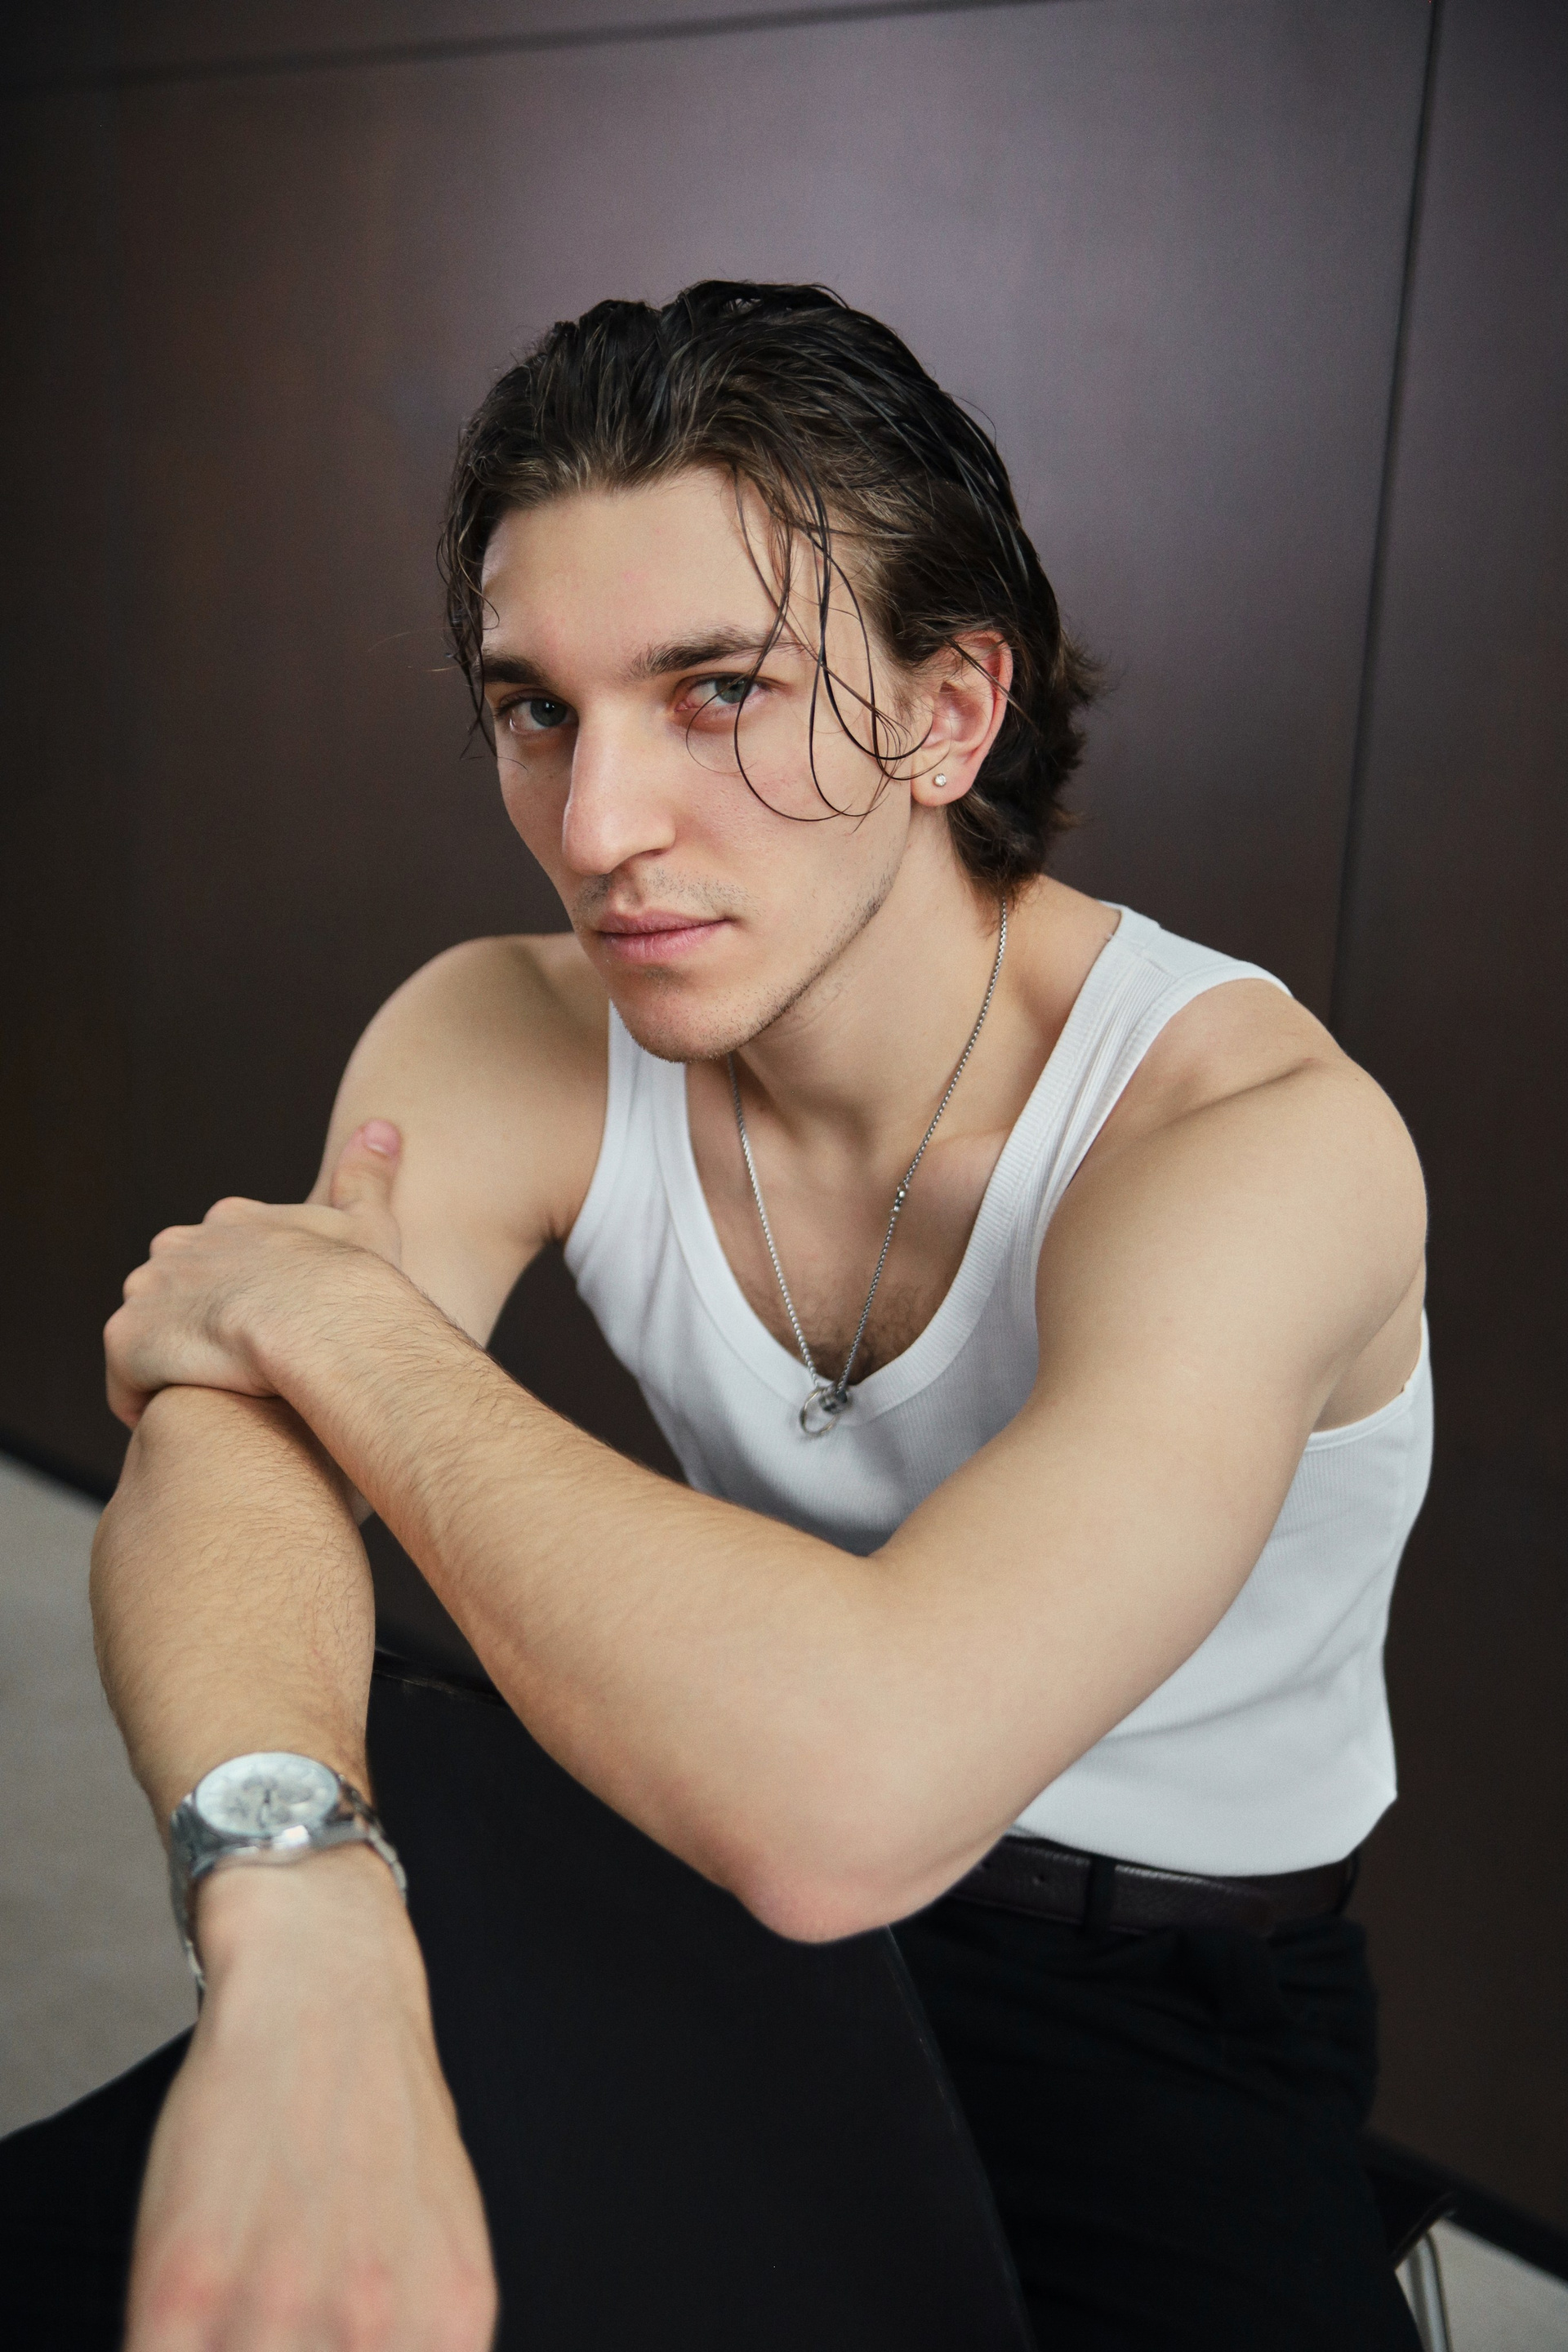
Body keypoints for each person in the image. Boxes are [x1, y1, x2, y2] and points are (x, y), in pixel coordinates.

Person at [87, 282, 1429, 2349]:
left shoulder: (1254, 1144)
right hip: (676, 1840)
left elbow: (852, 1801)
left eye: (717, 691)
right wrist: (293, 1915)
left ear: (949, 715)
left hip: (1153, 1992)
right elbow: (223, 1448)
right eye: (538, 710)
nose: (600, 828)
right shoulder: (505, 1027)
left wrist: (345, 1335)